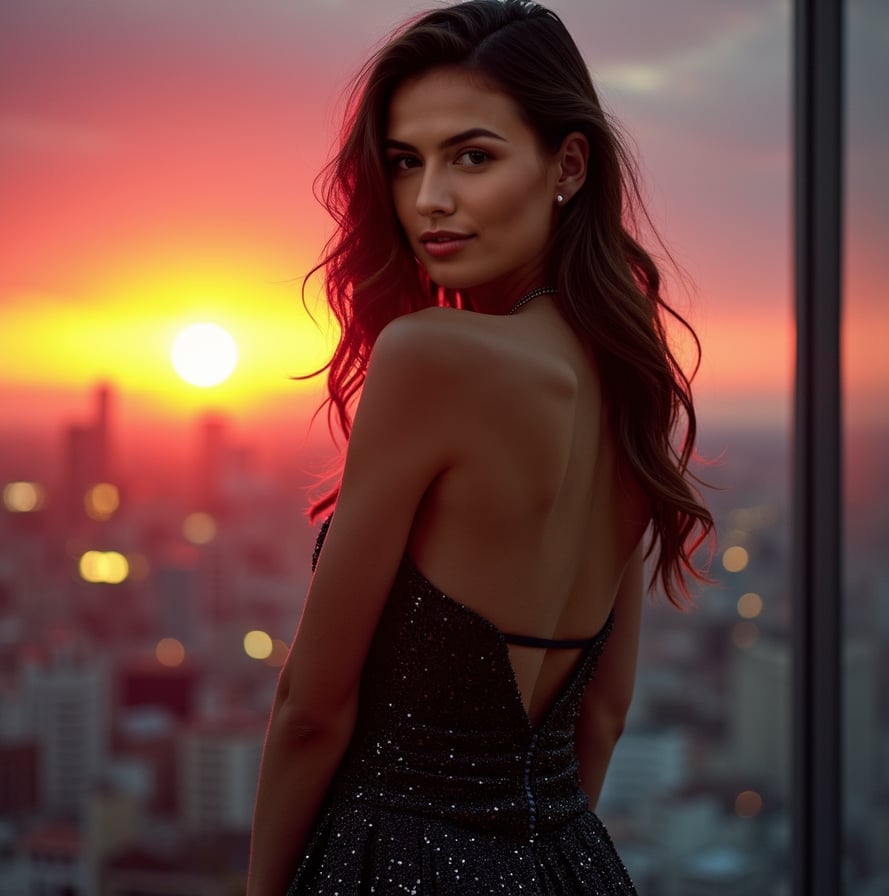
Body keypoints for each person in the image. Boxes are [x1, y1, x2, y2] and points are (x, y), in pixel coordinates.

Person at [248, 1, 713, 893]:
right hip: (573, 865)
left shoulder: (432, 354)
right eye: (405, 163)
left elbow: (311, 709)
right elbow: (604, 712)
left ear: (567, 164)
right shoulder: (631, 379)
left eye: (473, 156)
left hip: (394, 864)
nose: (430, 199)